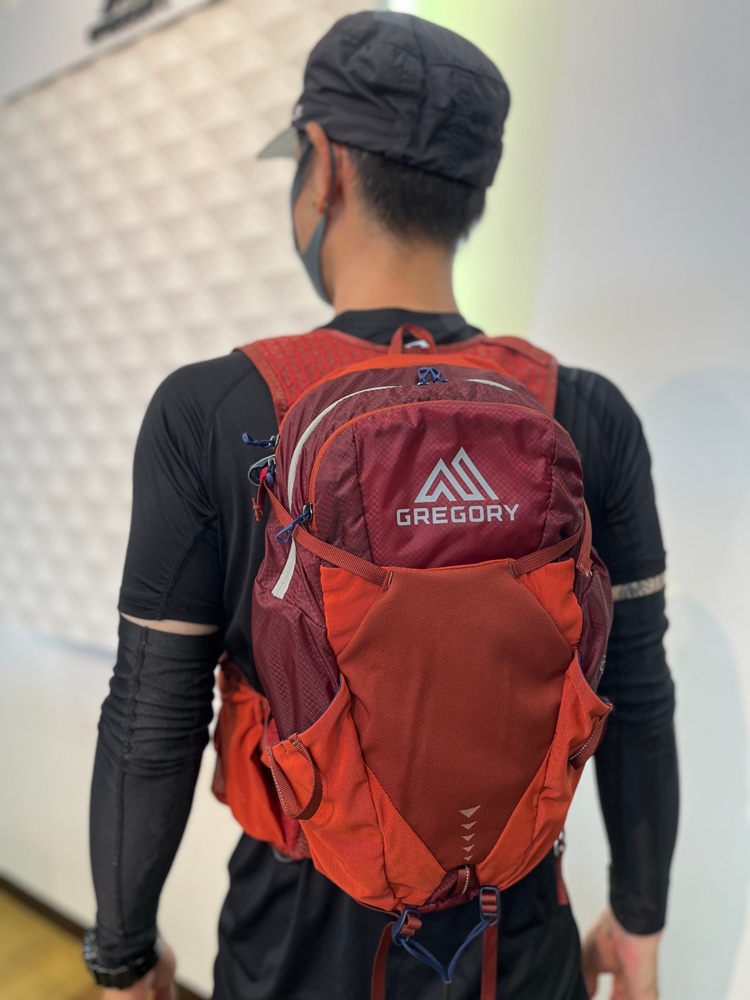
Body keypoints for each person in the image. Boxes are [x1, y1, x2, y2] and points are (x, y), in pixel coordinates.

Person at [85, 11, 678, 1000]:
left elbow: (152, 715)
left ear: (322, 168)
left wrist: (122, 953)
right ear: (474, 191)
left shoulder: (212, 410)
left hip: (293, 952)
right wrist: (640, 919)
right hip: (517, 940)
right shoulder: (587, 414)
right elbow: (641, 691)